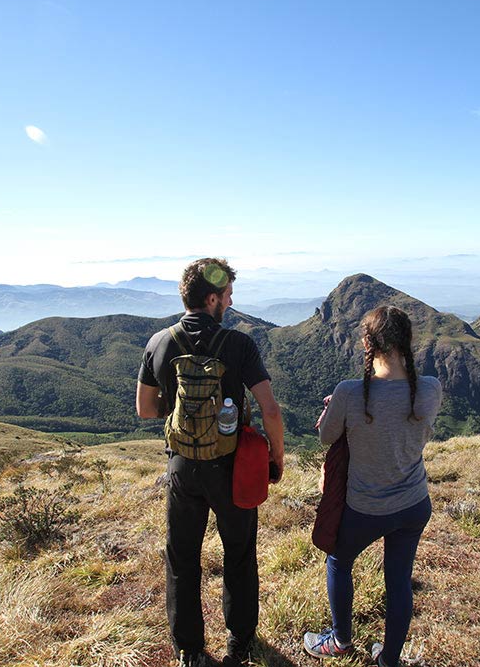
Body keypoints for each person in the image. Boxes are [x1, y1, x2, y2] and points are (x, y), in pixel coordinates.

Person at [136, 258, 285, 667]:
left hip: (182, 467)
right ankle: (240, 644)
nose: (232, 302)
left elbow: (145, 409)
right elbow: (270, 410)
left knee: (182, 558)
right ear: (213, 299)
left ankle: (189, 649)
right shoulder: (238, 345)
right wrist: (275, 457)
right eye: (228, 295)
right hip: (231, 467)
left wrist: (181, 409)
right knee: (239, 554)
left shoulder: (159, 342)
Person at [303, 305, 442, 667]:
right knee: (399, 580)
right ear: (408, 341)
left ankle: (340, 641)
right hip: (413, 504)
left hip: (365, 507)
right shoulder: (430, 388)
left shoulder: (349, 393)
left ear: (367, 343)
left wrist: (335, 409)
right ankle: (389, 659)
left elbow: (326, 436)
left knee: (339, 560)